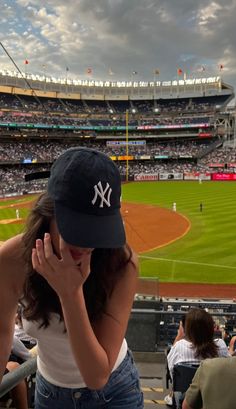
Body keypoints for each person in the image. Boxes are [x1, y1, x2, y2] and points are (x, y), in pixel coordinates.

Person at [0, 147, 144, 409]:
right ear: (49, 212)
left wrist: (70, 292)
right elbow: (1, 331)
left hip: (114, 392)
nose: (89, 243)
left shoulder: (121, 265)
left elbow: (96, 376)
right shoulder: (11, 260)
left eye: (98, 230)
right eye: (80, 227)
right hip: (49, 395)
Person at [165, 308, 230, 406]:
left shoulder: (179, 346)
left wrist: (179, 335)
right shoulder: (221, 345)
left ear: (187, 330)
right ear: (210, 328)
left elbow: (172, 374)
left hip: (185, 400)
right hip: (216, 400)